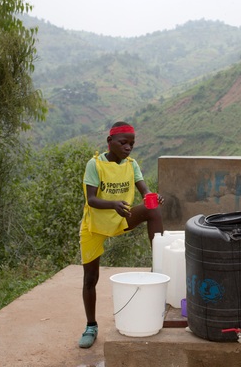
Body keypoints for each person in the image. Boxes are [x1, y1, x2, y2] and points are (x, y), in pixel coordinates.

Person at [78, 121, 164, 349]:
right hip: (95, 225)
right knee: (90, 279)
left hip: (121, 217)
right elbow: (91, 199)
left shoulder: (132, 164)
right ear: (110, 142)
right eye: (123, 143)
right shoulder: (94, 165)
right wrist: (113, 204)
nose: (128, 147)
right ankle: (91, 326)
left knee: (153, 210)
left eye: (132, 144)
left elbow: (144, 190)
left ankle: (160, 262)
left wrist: (151, 196)